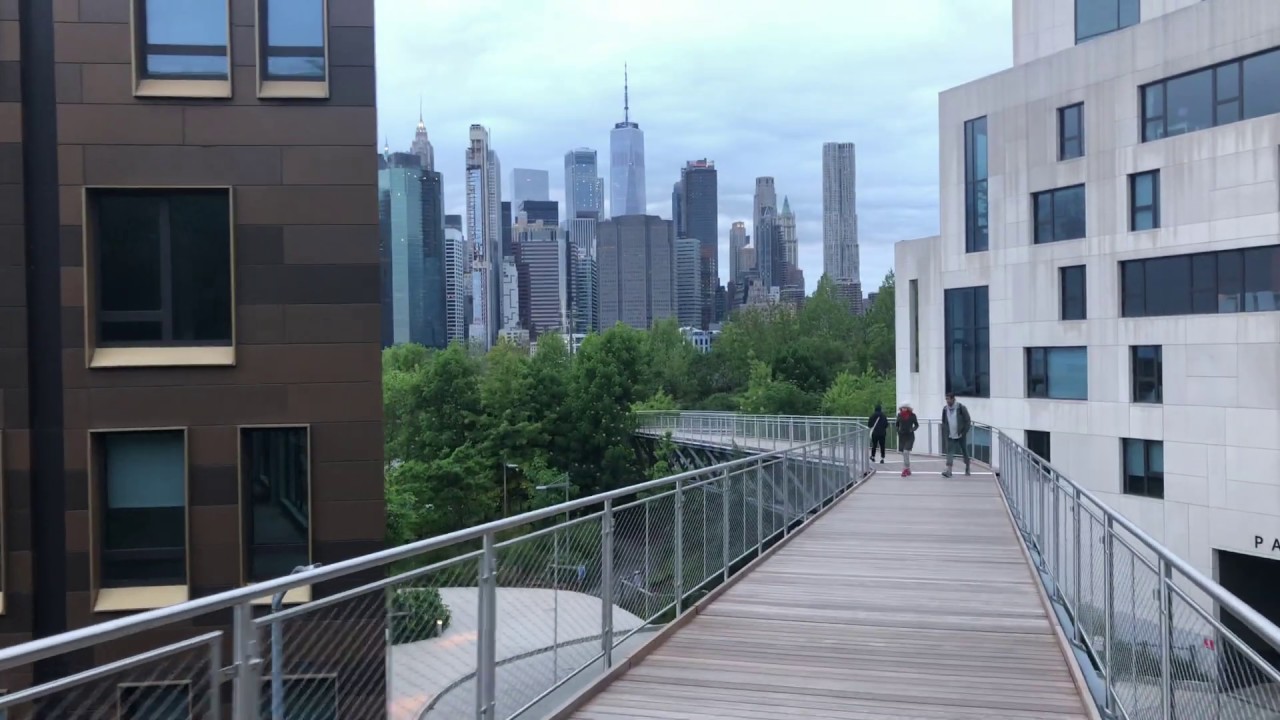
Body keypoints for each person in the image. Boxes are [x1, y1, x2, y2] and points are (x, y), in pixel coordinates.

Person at [940, 392, 971, 477]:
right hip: (950, 435)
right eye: (946, 399)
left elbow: (968, 421)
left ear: (953, 399)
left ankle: (967, 467)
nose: (947, 400)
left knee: (964, 451)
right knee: (949, 452)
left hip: (961, 434)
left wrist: (964, 432)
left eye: (949, 399)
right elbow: (943, 421)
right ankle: (949, 471)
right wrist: (945, 431)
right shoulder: (945, 409)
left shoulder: (961, 408)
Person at [896, 404, 919, 476]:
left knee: (906, 452)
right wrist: (898, 431)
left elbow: (916, 425)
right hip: (902, 436)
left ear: (908, 408)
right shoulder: (899, 415)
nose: (904, 409)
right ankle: (908, 468)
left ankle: (905, 469)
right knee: (904, 453)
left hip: (910, 436)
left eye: (905, 408)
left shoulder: (912, 415)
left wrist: (912, 429)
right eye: (902, 408)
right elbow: (897, 424)